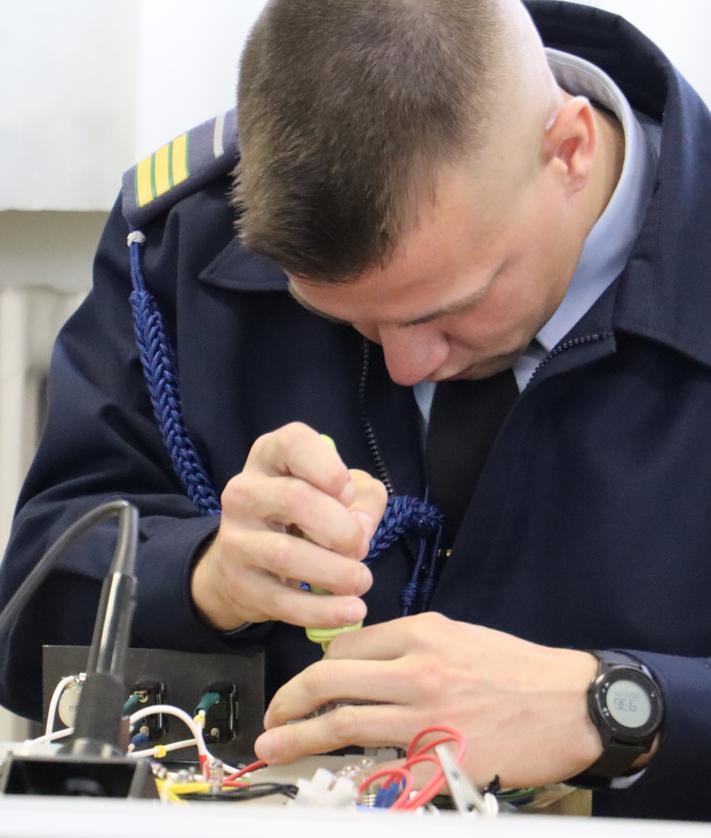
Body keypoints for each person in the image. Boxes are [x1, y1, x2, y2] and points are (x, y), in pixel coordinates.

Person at [1, 0, 710, 820]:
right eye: (346, 321)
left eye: (451, 308)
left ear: (568, 150)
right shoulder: (185, 244)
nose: (409, 364)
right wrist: (203, 578)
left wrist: (619, 706)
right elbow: (30, 631)